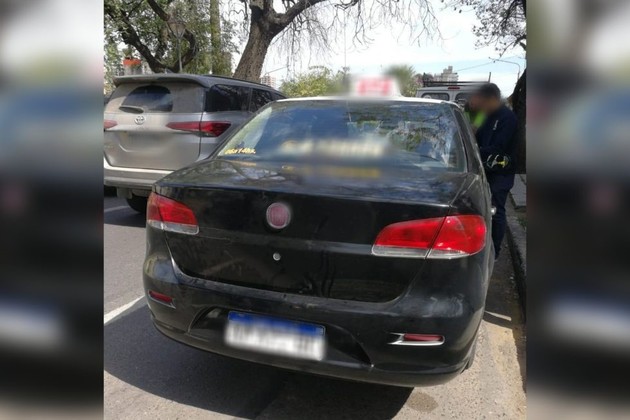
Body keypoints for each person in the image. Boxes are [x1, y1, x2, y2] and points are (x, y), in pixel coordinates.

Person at [474, 83, 518, 260]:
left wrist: (475, 150)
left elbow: (499, 147)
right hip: (484, 169)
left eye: (483, 102)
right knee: (481, 209)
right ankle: (482, 247)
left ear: (492, 99)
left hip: (501, 172)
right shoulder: (485, 116)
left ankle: (495, 252)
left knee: (496, 210)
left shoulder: (508, 118)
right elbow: (475, 137)